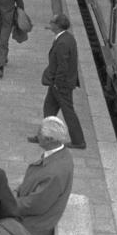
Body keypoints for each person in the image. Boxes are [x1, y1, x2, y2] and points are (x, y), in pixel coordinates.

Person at [18, 117, 74, 235]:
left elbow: (34, 205)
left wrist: (7, 202)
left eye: (40, 133)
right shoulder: (60, 155)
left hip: (33, 229)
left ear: (49, 140)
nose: (37, 135)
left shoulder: (54, 172)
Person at [41, 14, 85, 149]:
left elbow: (63, 65)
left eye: (52, 22)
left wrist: (57, 83)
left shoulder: (62, 43)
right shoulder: (67, 38)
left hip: (61, 84)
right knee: (49, 108)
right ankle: (45, 136)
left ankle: (78, 141)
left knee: (68, 112)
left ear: (57, 26)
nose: (50, 24)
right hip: (60, 83)